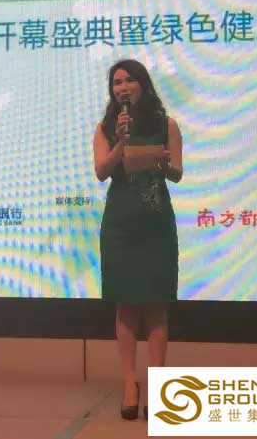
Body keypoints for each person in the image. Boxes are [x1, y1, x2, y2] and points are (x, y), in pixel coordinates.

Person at [93, 59, 183, 421]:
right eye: (117, 83)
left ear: (143, 85)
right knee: (126, 306)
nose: (123, 87)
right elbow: (102, 171)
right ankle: (130, 385)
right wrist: (121, 143)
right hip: (121, 224)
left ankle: (159, 388)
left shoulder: (166, 124)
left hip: (156, 223)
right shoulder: (105, 128)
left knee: (156, 306)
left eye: (129, 80)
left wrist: (161, 162)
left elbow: (176, 173)